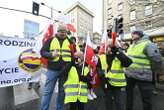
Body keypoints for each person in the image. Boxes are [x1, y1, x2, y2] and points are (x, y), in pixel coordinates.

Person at [125, 30, 162, 110]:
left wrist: (152, 70)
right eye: (132, 34)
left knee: (146, 99)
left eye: (134, 34)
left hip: (143, 75)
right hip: (130, 75)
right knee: (128, 95)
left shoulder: (148, 44)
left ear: (140, 35)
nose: (132, 35)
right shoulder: (132, 45)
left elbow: (157, 60)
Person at [40, 24, 72, 110]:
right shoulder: (50, 40)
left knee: (62, 92)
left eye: (64, 32)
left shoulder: (70, 41)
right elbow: (42, 52)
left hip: (65, 70)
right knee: (47, 92)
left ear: (66, 32)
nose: (62, 33)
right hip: (52, 70)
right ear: (57, 31)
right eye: (61, 31)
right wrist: (51, 55)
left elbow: (73, 56)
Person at [97, 40, 132, 110]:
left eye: (111, 47)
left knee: (119, 103)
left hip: (117, 84)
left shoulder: (119, 55)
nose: (109, 48)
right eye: (108, 47)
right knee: (108, 102)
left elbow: (128, 63)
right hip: (106, 83)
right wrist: (101, 76)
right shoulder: (102, 57)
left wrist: (117, 52)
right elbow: (98, 68)